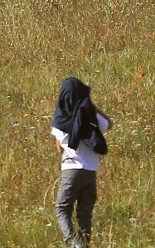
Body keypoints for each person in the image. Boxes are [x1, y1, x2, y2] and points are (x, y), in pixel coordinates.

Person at [50, 77, 112, 248]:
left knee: (62, 208)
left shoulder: (61, 118)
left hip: (71, 169)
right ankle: (84, 244)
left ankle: (73, 243)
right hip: (90, 172)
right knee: (85, 214)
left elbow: (59, 148)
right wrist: (91, 106)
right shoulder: (90, 114)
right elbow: (109, 123)